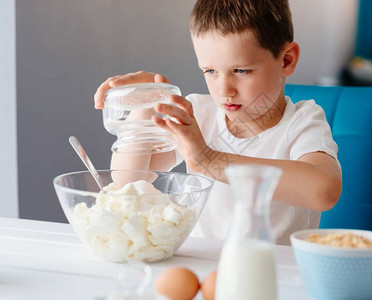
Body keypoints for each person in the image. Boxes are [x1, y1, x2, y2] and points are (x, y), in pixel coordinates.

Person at [94, 0, 342, 245]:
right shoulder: (199, 113)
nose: (224, 91)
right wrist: (146, 102)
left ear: (286, 60)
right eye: (210, 71)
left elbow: (324, 190)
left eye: (241, 71)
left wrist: (209, 160)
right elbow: (128, 179)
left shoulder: (302, 122)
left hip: (274, 274)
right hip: (204, 268)